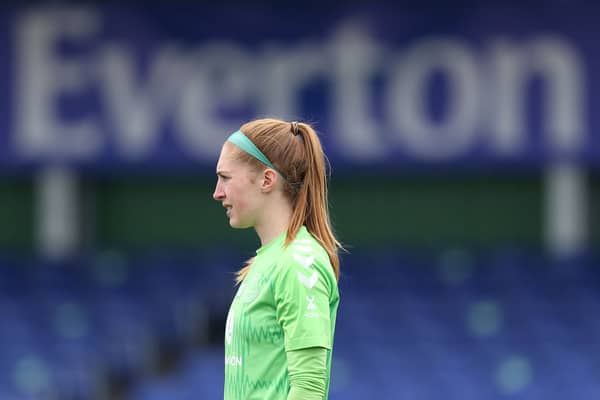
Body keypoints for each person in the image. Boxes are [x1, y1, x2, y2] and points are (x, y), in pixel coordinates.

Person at [213, 118, 342, 400]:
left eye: (225, 178)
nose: (217, 192)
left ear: (267, 180)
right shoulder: (270, 261)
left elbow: (309, 388)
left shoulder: (298, 262)